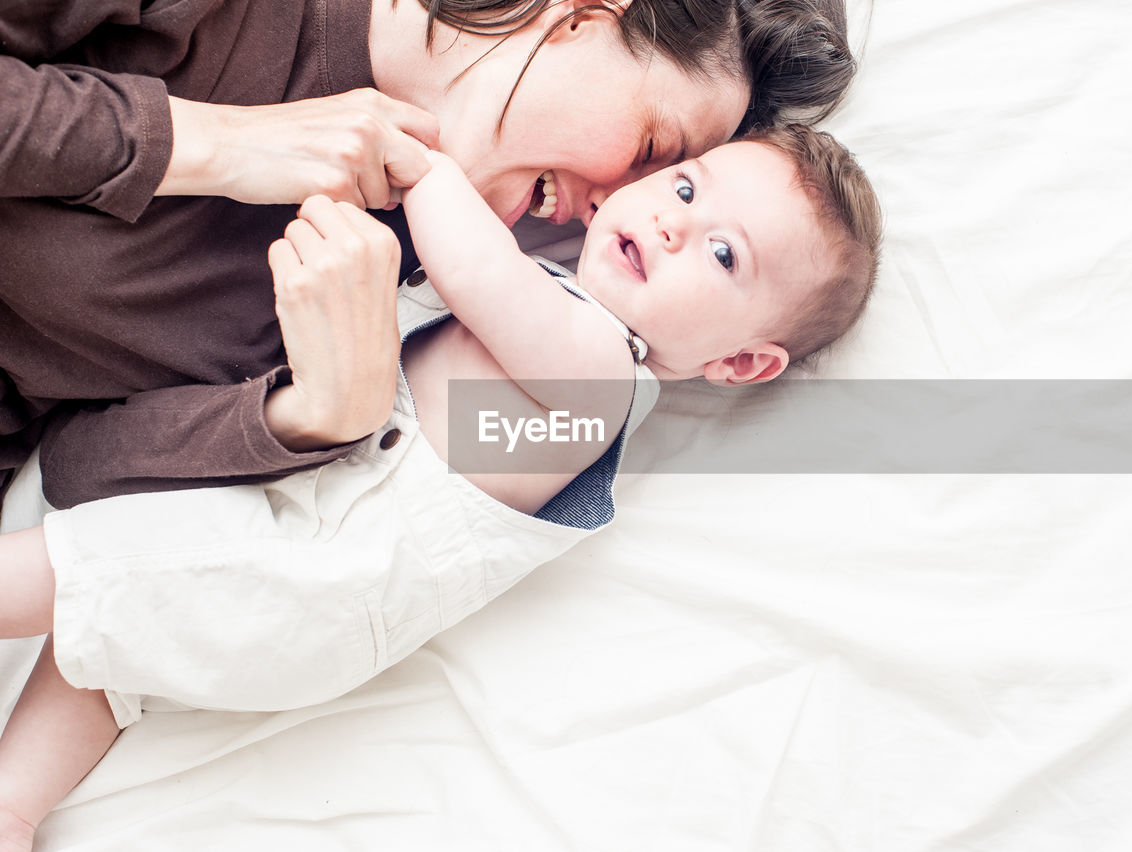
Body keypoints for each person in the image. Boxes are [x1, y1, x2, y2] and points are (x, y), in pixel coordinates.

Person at [0, 123, 883, 850]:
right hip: (301, 554)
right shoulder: (566, 302)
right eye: (686, 189)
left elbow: (477, 269)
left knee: (85, 571)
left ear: (738, 363)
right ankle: (15, 805)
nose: (672, 228)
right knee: (104, 654)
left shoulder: (601, 380)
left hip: (317, 563)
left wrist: (426, 163)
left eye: (724, 255)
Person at [0, 0, 857, 508]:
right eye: (651, 149)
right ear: (585, 19)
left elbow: (75, 472)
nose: (614, 202)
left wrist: (318, 413)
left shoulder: (420, 288)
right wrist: (216, 144)